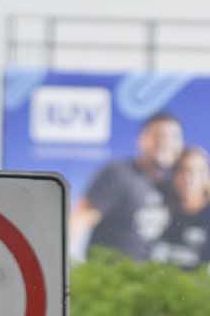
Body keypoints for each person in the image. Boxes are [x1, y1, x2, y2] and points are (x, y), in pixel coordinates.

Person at [73, 110, 186, 261]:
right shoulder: (118, 174)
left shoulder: (175, 184)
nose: (166, 142)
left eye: (174, 137)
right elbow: (79, 220)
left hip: (150, 279)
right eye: (158, 135)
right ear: (142, 139)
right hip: (112, 278)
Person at [148, 146, 210, 269]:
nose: (189, 178)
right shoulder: (161, 208)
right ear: (174, 175)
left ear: (207, 177)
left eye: (197, 172)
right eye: (183, 170)